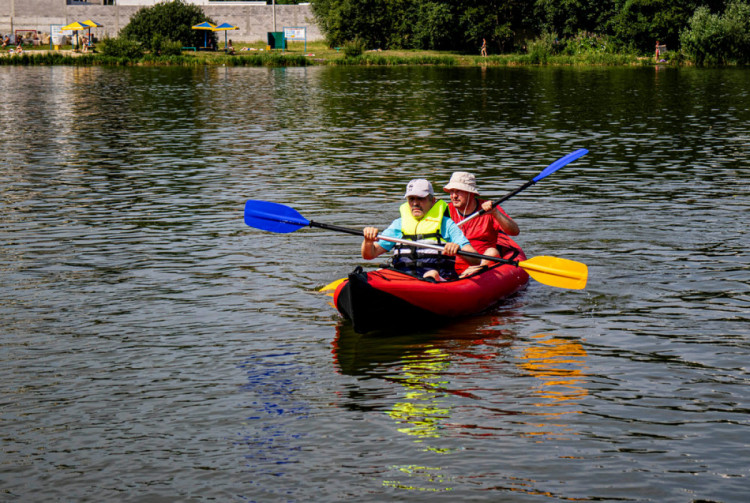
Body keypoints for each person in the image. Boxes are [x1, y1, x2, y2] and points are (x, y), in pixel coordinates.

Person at [361, 179, 480, 282]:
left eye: (420, 198)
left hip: (438, 281)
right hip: (404, 278)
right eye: (411, 199)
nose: (415, 203)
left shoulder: (447, 224)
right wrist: (368, 241)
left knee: (432, 273)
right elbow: (369, 255)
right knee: (381, 271)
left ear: (432, 201)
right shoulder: (399, 224)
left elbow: (475, 260)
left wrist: (457, 250)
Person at [443, 172, 520, 277]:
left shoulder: (488, 209)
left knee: (492, 251)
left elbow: (514, 231)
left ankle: (470, 273)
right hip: (451, 265)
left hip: (483, 263)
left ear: (471, 193)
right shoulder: (446, 211)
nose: (454, 196)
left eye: (458, 191)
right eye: (451, 191)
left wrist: (496, 213)